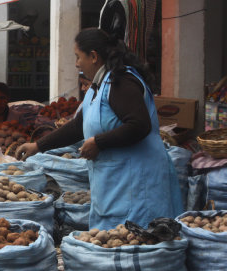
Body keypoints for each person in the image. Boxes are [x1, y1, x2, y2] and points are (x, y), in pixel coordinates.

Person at [16, 28, 183, 230]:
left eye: (78, 57)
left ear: (93, 56)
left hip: (138, 184)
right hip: (116, 183)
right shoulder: (99, 86)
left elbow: (139, 125)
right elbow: (79, 125)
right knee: (114, 242)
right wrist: (38, 146)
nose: (77, 63)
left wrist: (98, 142)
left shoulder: (121, 82)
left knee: (140, 242)